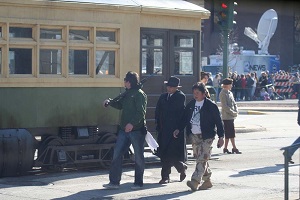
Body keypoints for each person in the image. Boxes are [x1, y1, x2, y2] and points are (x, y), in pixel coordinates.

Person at [174, 82, 224, 191]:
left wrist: (221, 136)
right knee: (200, 158)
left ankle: (195, 181)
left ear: (204, 93)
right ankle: (207, 181)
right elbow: (185, 118)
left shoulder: (211, 106)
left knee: (202, 159)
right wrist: (178, 129)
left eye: (197, 93)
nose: (195, 95)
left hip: (207, 136)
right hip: (194, 135)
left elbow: (219, 122)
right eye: (194, 93)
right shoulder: (191, 105)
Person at [102, 71, 147, 190]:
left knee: (138, 157)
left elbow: (141, 113)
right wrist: (110, 103)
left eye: (125, 80)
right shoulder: (127, 93)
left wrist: (132, 124)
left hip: (136, 130)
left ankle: (138, 183)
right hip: (124, 129)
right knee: (117, 154)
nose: (124, 82)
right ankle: (114, 182)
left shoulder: (139, 94)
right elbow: (120, 105)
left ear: (129, 82)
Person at [155, 76, 187, 184]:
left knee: (172, 154)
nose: (169, 89)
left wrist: (178, 128)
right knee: (164, 154)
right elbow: (158, 110)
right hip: (164, 130)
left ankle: (181, 168)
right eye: (168, 86)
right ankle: (165, 176)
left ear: (176, 88)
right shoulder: (163, 96)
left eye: (172, 87)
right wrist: (158, 124)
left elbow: (180, 114)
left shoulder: (180, 96)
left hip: (174, 130)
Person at [219, 78, 241, 154]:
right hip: (226, 117)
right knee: (230, 133)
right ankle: (233, 148)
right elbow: (225, 106)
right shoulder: (223, 93)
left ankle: (226, 148)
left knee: (230, 133)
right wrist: (232, 112)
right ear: (226, 85)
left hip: (231, 116)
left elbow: (234, 103)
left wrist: (236, 110)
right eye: (230, 84)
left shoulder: (230, 93)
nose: (231, 85)